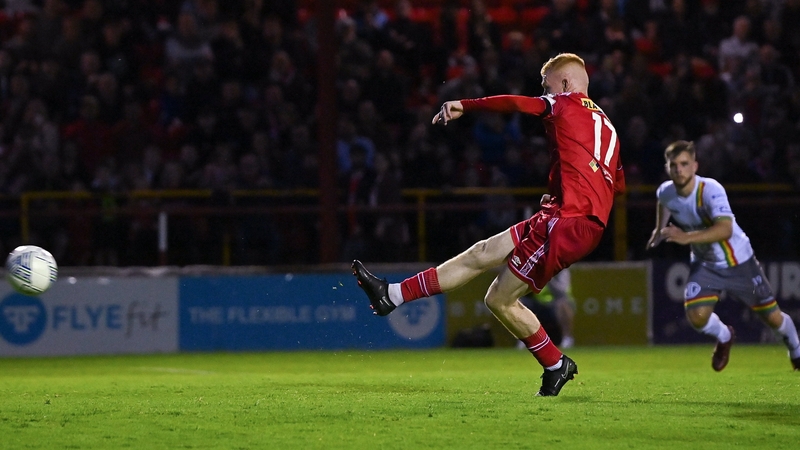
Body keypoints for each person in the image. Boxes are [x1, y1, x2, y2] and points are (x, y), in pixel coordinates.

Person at [353, 53, 625, 396]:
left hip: (567, 222)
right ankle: (391, 295)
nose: (544, 91)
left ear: (567, 84)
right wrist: (562, 195)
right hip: (567, 216)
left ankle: (556, 363)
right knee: (480, 253)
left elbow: (515, 103)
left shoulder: (564, 103)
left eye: (547, 85)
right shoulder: (608, 126)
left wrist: (465, 105)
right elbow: (615, 184)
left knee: (498, 298)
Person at [647, 140, 800, 372]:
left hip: (738, 261)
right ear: (667, 167)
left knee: (773, 319)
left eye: (684, 164)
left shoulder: (710, 190)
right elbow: (663, 202)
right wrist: (659, 231)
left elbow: (725, 230)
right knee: (697, 316)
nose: (679, 169)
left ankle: (796, 350)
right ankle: (725, 336)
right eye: (674, 164)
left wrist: (686, 237)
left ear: (695, 166)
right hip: (706, 264)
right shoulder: (665, 191)